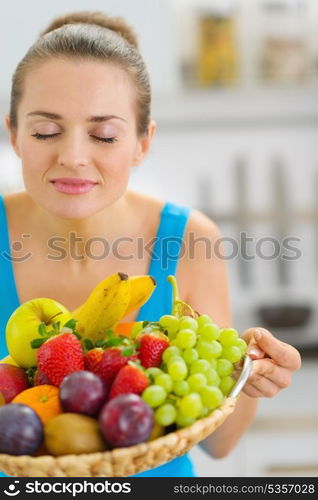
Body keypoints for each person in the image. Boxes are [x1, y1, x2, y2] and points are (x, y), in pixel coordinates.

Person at [0, 11, 301, 477]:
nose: (74, 156)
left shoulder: (188, 240)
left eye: (103, 134)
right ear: (14, 133)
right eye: (46, 131)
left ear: (142, 142)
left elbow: (219, 444)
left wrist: (250, 378)